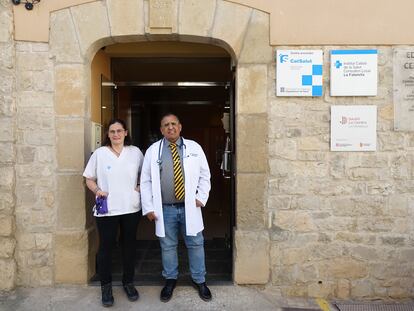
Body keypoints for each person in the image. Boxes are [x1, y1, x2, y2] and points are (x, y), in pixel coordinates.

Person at [141, 113, 212, 302]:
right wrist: (148, 207)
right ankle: (170, 279)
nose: (170, 127)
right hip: (165, 208)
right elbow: (146, 180)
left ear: (180, 127)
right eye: (166, 125)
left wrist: (200, 197)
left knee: (196, 244)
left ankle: (199, 280)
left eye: (173, 124)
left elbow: (205, 175)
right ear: (161, 129)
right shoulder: (153, 150)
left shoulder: (194, 147)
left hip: (190, 207)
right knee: (168, 246)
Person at [83, 119, 143, 307]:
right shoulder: (100, 154)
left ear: (126, 132)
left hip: (131, 207)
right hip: (106, 208)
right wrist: (97, 190)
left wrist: (141, 186)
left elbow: (146, 173)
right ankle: (106, 287)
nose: (115, 134)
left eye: (119, 131)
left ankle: (128, 283)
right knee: (106, 248)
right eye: (112, 131)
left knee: (129, 247)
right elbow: (89, 178)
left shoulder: (135, 152)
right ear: (107, 134)